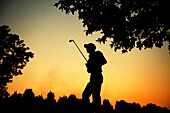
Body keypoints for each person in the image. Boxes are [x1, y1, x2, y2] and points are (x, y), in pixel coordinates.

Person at [82, 43, 107, 112]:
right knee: (87, 94)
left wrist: (94, 64)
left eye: (88, 48)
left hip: (97, 76)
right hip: (93, 77)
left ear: (91, 48)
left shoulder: (98, 53)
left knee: (94, 95)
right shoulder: (90, 58)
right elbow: (89, 71)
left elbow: (104, 61)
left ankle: (95, 110)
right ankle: (91, 109)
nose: (86, 49)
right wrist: (88, 67)